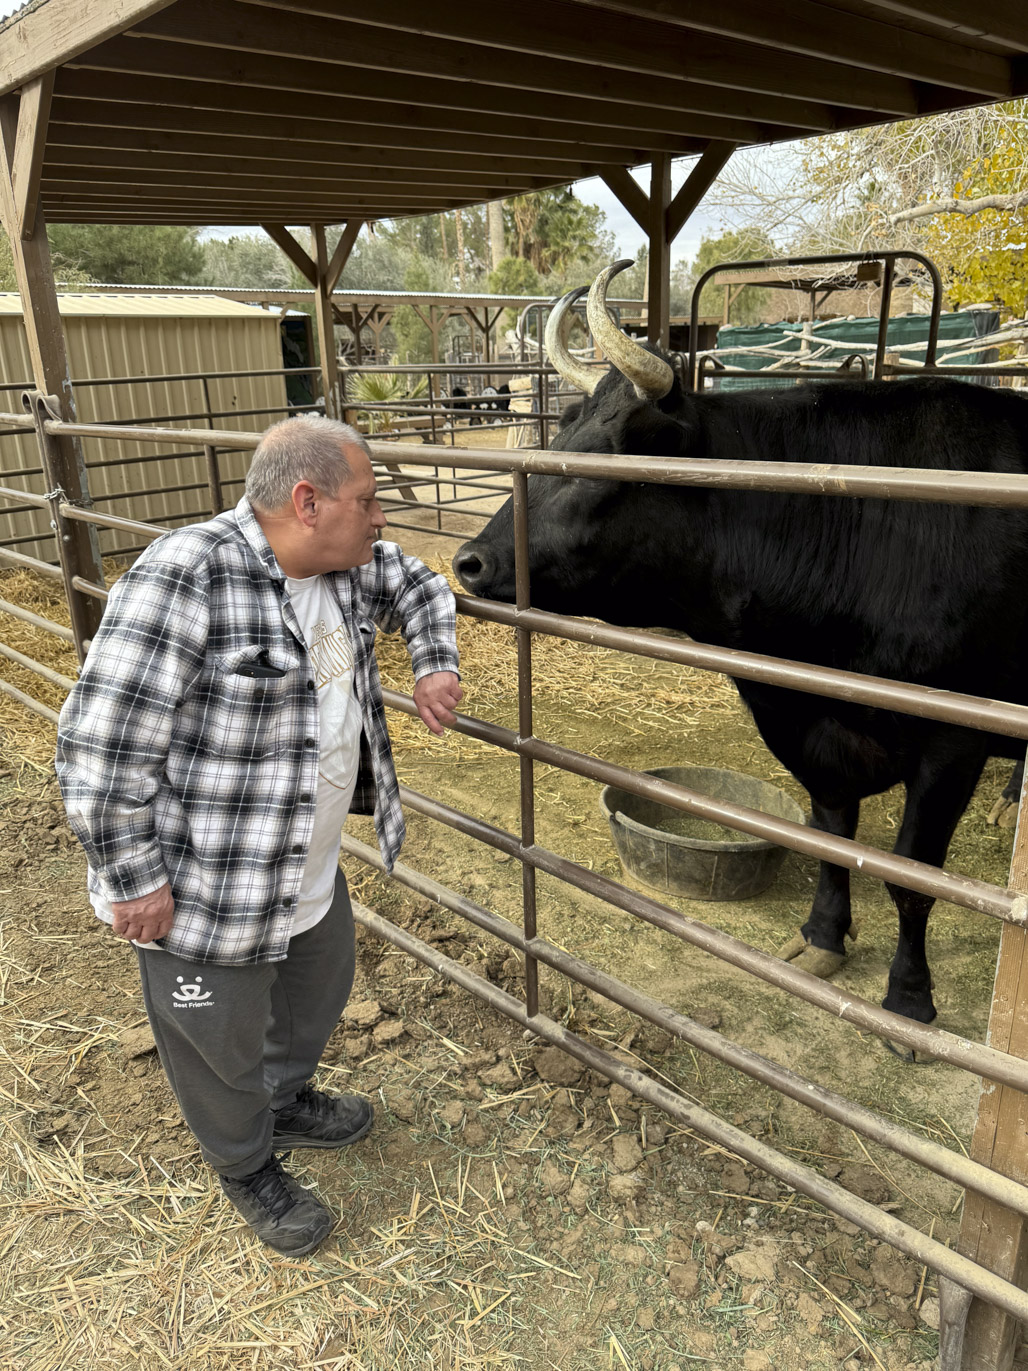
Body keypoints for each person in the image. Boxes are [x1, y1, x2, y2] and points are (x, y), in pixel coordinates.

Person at [56, 416, 462, 1257]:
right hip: (208, 890)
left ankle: (285, 1098)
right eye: (368, 499)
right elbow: (100, 745)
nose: (381, 516)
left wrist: (433, 660)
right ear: (308, 502)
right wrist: (132, 878)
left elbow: (419, 583)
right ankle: (245, 1164)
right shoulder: (186, 576)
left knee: (319, 991)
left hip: (306, 868)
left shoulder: (344, 565)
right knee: (217, 1039)